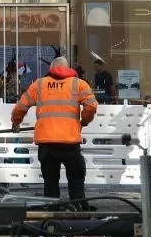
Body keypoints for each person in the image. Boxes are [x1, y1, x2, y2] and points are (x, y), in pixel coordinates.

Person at [11, 57, 98, 209]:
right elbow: (91, 106)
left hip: (47, 144)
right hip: (70, 142)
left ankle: (52, 215)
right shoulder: (78, 84)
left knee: (50, 183)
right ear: (67, 68)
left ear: (51, 68)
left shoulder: (39, 84)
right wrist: (84, 121)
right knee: (76, 181)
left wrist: (16, 121)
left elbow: (21, 107)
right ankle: (79, 213)